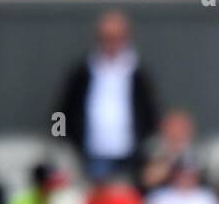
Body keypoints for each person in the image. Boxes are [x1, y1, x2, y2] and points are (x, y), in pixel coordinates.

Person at [55, 10, 159, 180]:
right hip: (92, 152)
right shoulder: (82, 71)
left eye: (117, 38)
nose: (112, 43)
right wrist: (63, 141)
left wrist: (144, 142)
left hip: (130, 153)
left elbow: (150, 110)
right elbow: (63, 109)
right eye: (106, 37)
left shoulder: (137, 72)